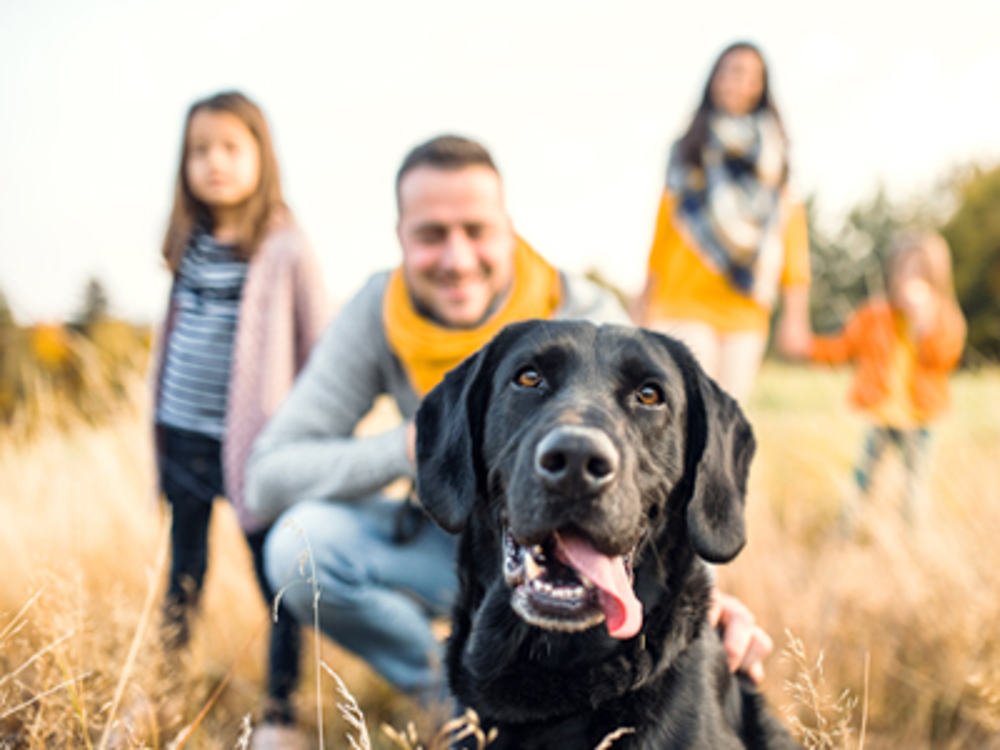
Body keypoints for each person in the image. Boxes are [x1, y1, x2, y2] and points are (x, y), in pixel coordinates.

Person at [245, 135, 776, 719]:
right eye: (430, 235)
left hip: (579, 544)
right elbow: (268, 476)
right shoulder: (378, 312)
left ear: (508, 228)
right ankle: (462, 706)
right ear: (400, 237)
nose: (457, 258)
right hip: (448, 538)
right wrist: (414, 449)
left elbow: (657, 471)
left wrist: (710, 603)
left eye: (476, 230)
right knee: (301, 546)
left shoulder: (589, 315)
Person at [151, 91, 329, 745]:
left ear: (261, 156)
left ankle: (281, 713)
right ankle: (164, 692)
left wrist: (307, 435)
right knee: (183, 575)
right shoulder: (188, 242)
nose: (214, 163)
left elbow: (321, 346)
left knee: (278, 578)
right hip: (183, 438)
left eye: (230, 148)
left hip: (257, 451)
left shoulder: (284, 244)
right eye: (200, 151)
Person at [634, 41, 811, 403]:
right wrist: (643, 300)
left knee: (726, 420)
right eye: (730, 70)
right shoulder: (688, 149)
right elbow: (664, 230)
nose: (738, 81)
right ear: (714, 79)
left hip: (745, 308)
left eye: (750, 75)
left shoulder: (776, 159)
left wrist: (796, 315)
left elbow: (791, 236)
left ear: (761, 87)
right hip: (682, 301)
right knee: (686, 407)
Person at [807, 231, 966, 524]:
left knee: (914, 483)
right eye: (903, 269)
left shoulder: (944, 317)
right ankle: (846, 527)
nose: (909, 278)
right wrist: (806, 346)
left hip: (921, 418)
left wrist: (925, 325)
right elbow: (842, 348)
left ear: (936, 275)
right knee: (863, 476)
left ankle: (913, 534)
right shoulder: (874, 315)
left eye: (919, 270)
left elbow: (945, 358)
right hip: (882, 414)